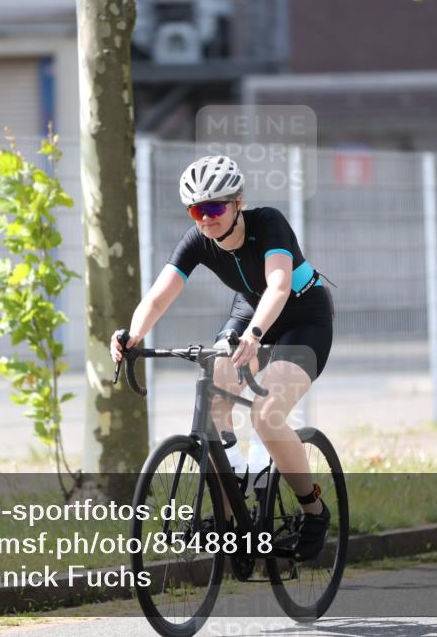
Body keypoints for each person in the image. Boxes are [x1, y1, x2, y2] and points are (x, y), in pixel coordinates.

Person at [109, 155, 334, 561]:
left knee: (266, 415)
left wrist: (255, 335)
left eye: (214, 207)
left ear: (238, 202)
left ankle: (313, 509)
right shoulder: (197, 240)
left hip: (303, 316)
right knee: (213, 391)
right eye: (197, 210)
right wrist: (132, 334)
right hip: (250, 310)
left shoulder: (269, 223)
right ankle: (231, 507)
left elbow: (279, 286)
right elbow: (159, 295)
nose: (206, 218)